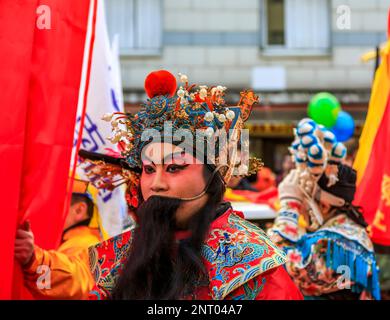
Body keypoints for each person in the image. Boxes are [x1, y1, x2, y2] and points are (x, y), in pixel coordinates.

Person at [87, 70, 303, 300]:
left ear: (213, 179)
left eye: (174, 168)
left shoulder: (255, 270)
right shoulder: (118, 261)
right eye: (149, 170)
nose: (156, 184)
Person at [268, 118, 381, 300]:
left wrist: (289, 207)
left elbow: (279, 264)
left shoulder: (334, 241)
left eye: (307, 201)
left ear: (325, 205)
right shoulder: (350, 231)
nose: (305, 208)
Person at [14, 179, 103, 299]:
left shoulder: (87, 242)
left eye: (56, 202)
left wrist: (34, 260)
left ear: (79, 210)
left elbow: (77, 282)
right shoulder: (67, 240)